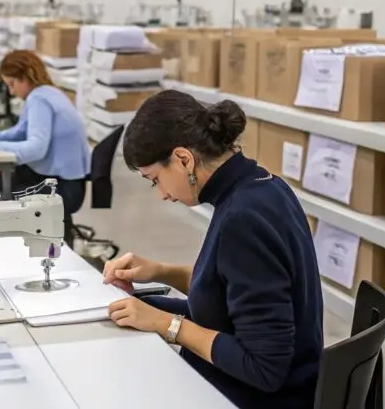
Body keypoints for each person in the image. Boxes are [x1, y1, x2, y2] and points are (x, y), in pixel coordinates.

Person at [102, 89, 323, 409]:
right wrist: (160, 272)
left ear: (183, 159)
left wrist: (167, 325)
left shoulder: (243, 218)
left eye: (155, 180)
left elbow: (264, 369)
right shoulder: (263, 185)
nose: (161, 194)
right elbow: (235, 294)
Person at [0, 50, 90, 243]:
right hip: (68, 184)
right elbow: (18, 133)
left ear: (26, 77)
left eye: (12, 84)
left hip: (63, 190)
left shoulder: (39, 100)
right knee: (6, 181)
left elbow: (36, 149)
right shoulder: (48, 93)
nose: (11, 92)